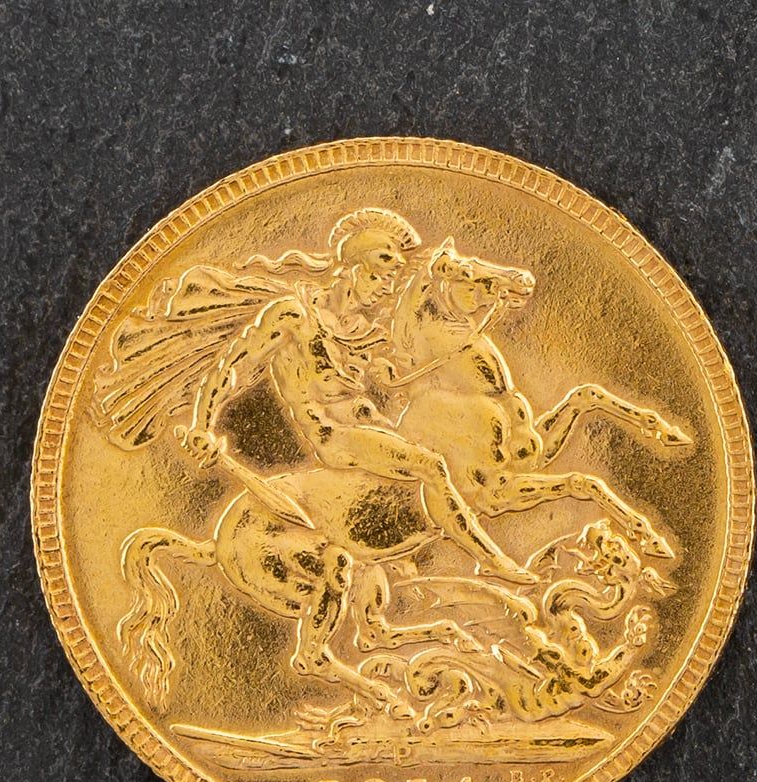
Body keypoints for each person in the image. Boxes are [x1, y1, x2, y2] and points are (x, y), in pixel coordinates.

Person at [178, 208, 534, 586]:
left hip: (374, 427)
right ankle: (490, 559)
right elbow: (232, 367)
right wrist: (202, 425)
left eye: (391, 280)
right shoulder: (295, 317)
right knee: (430, 466)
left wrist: (490, 292)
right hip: (334, 434)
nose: (386, 289)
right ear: (354, 269)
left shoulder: (366, 328)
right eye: (381, 277)